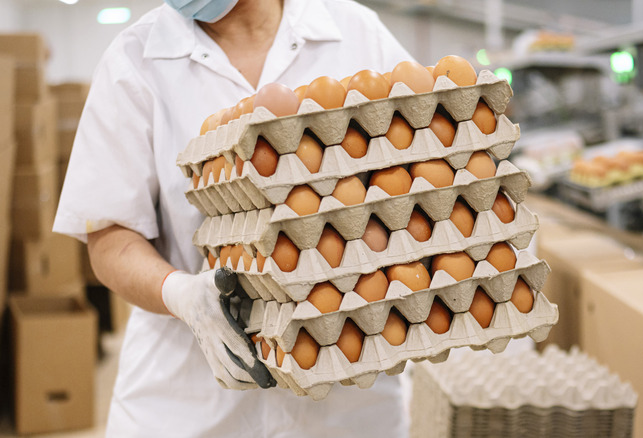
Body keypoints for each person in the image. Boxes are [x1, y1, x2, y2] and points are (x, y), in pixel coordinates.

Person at [53, 0, 414, 436]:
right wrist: (182, 295)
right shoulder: (135, 59)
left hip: (347, 403)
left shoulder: (356, 33)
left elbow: (420, 177)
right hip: (187, 402)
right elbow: (109, 236)